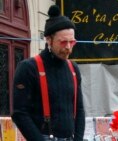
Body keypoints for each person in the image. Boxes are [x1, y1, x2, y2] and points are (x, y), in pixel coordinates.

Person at [11, 5, 85, 141]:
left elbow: (79, 110)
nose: (68, 47)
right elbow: (19, 113)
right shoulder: (28, 68)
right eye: (63, 42)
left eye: (72, 42)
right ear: (49, 40)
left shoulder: (73, 69)